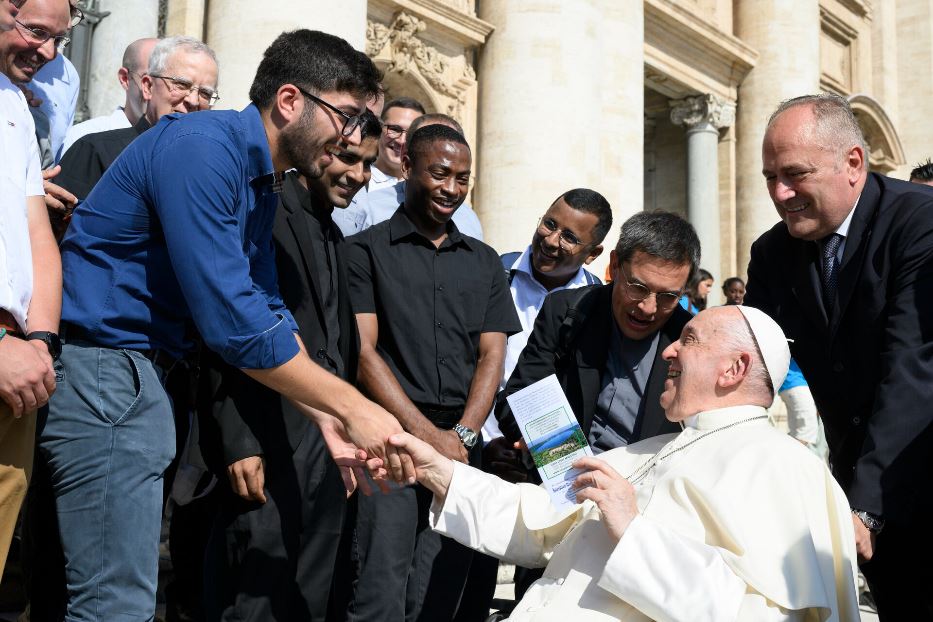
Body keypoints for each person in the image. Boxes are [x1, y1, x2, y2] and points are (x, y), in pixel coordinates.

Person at [44, 29, 412, 620]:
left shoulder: (259, 180)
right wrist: (353, 407)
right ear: (290, 101)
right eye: (346, 117)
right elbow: (230, 319)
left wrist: (326, 420)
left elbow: (265, 305)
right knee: (114, 603)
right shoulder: (202, 147)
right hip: (108, 374)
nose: (353, 138)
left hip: (146, 384)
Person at [392, 306, 860, 621]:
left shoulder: (783, 466)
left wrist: (634, 532)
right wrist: (434, 468)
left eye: (689, 340)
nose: (670, 350)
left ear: (733, 369)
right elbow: (534, 517)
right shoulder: (653, 448)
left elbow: (763, 615)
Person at [746, 93, 933, 620]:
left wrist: (866, 508)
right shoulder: (771, 252)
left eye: (795, 174)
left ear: (853, 162)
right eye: (769, 177)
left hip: (910, 467)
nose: (780, 194)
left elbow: (914, 368)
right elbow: (755, 362)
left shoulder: (920, 221)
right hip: (856, 481)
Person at [199, 110, 383, 622]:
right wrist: (240, 441)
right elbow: (229, 330)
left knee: (310, 600)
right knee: (251, 597)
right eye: (348, 157)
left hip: (327, 454)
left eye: (368, 164)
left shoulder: (336, 238)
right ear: (319, 148)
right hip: (265, 440)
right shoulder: (269, 214)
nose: (359, 175)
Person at [344, 124, 521, 622]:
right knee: (379, 589)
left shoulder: (485, 262)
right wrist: (424, 435)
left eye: (462, 178)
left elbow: (493, 355)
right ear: (407, 168)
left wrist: (462, 434)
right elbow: (363, 353)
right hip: (389, 443)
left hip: (463, 450)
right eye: (440, 173)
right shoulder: (363, 251)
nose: (452, 189)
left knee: (438, 597)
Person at [458, 188, 610, 621]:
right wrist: (485, 440)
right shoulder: (493, 273)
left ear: (593, 252)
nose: (551, 240)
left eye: (569, 237)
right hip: (481, 449)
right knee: (466, 580)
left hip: (555, 467)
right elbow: (472, 366)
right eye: (549, 224)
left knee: (544, 587)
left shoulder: (599, 302)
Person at [495, 211, 697, 455]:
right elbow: (518, 398)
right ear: (614, 266)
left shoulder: (692, 342)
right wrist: (553, 448)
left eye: (668, 296)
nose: (648, 308)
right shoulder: (567, 313)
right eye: (638, 288)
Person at [0, 0, 62, 578]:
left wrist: (41, 343)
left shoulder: (16, 105)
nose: (46, 52)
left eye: (59, 40)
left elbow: (37, 233)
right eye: (35, 30)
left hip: (20, 364)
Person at [55, 35, 218, 201]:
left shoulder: (212, 166)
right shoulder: (93, 151)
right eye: (181, 85)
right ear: (147, 86)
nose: (193, 100)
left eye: (205, 93)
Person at [334, 110, 485, 240]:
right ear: (407, 162)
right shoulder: (367, 209)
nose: (450, 189)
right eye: (430, 140)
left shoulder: (469, 219)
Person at [61, 37, 157, 154]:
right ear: (125, 79)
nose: (162, 93)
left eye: (178, 85)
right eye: (151, 82)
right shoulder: (84, 139)